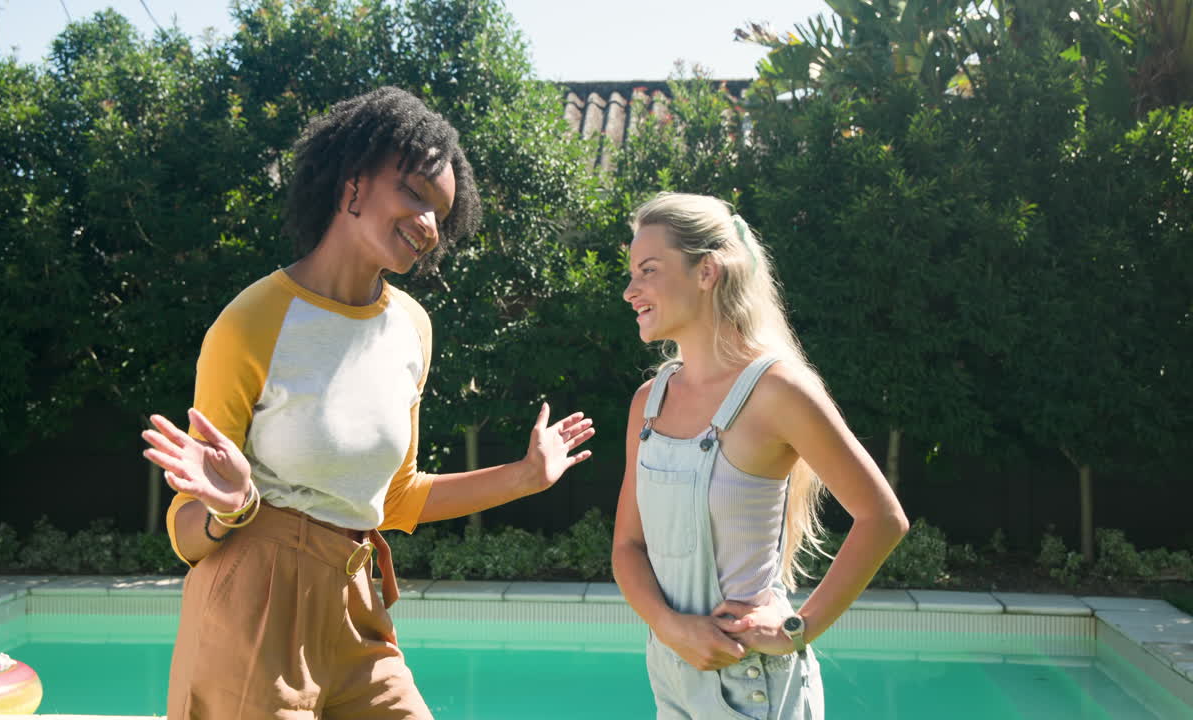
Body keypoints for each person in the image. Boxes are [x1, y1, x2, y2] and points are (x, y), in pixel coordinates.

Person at [140, 86, 594, 720]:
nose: (429, 225)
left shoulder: (412, 329)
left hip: (357, 602)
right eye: (414, 193)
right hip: (252, 606)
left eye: (441, 213)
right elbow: (188, 530)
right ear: (352, 183)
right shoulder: (252, 322)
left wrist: (526, 476)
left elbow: (398, 497)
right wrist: (232, 505)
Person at [612, 192, 908, 719]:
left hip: (754, 689)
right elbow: (627, 547)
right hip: (671, 677)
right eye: (633, 273)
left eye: (648, 270)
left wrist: (799, 628)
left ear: (707, 272)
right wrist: (671, 626)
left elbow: (882, 517)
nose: (631, 290)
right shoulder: (648, 404)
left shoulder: (777, 390)